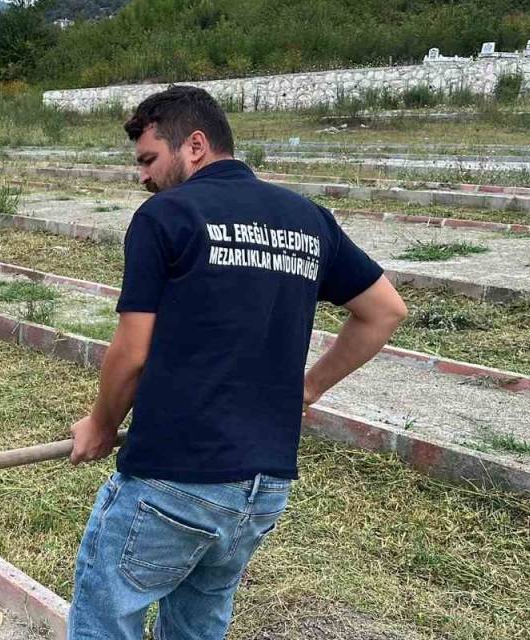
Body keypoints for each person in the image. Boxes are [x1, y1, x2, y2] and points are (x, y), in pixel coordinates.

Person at [65, 86, 407, 640]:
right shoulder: (307, 219)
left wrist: (102, 424)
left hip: (174, 479)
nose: (143, 177)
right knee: (197, 628)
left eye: (149, 159)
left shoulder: (166, 216)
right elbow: (385, 311)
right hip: (262, 487)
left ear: (195, 145)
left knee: (104, 620)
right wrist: (309, 388)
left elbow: (132, 350)